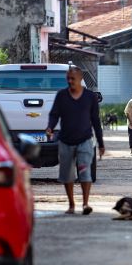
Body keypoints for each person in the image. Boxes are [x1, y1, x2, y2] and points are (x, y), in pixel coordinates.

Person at [46, 66, 105, 215]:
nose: (70, 81)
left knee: (85, 173)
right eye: (68, 79)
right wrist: (50, 128)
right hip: (65, 141)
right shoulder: (61, 96)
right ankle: (71, 204)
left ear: (80, 79)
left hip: (85, 141)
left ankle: (85, 204)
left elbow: (95, 121)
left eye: (73, 78)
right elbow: (54, 114)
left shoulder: (90, 97)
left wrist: (101, 143)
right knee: (67, 175)